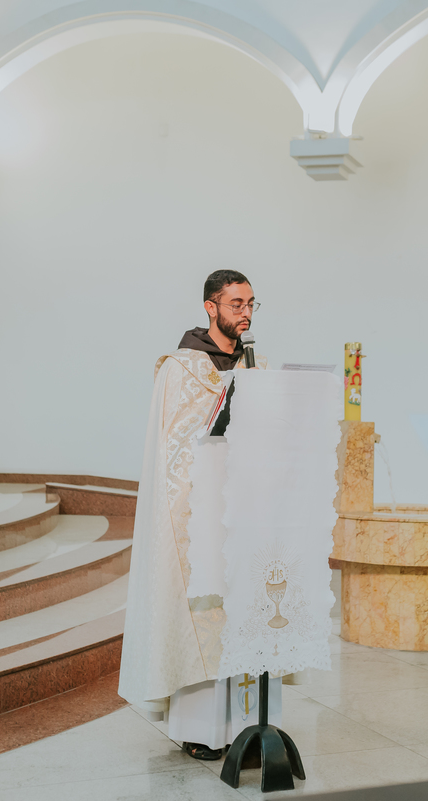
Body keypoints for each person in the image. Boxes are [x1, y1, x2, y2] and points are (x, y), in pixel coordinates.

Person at [118, 269, 277, 761]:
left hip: (243, 513)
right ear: (211, 307)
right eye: (236, 304)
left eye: (251, 303)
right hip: (197, 517)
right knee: (203, 617)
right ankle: (202, 731)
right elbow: (173, 447)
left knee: (242, 617)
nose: (245, 313)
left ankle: (247, 727)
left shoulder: (256, 364)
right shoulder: (181, 368)